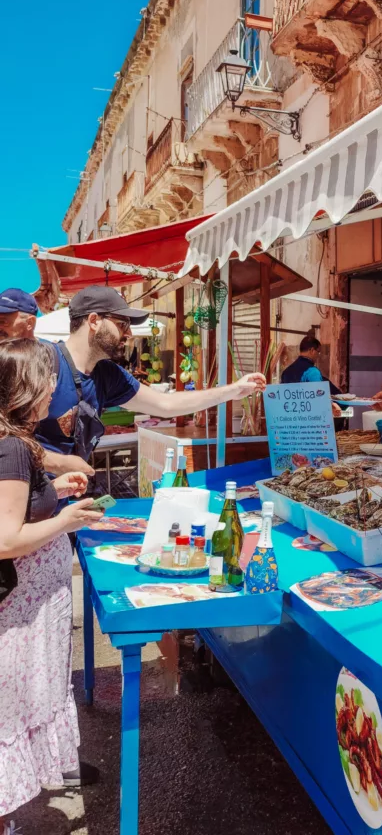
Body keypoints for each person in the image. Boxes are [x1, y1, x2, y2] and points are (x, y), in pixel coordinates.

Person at [0, 339, 105, 831]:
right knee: (11, 715)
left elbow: (16, 507)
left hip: (31, 608)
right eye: (48, 381)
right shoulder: (14, 448)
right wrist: (67, 521)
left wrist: (53, 492)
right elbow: (6, 538)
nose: (53, 391)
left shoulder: (16, 445)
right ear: (28, 389)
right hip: (20, 613)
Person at [35, 285, 266, 476]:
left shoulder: (108, 374)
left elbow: (165, 404)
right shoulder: (41, 363)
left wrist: (233, 391)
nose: (129, 334)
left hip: (61, 508)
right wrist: (58, 463)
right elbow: (5, 436)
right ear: (94, 321)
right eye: (123, 324)